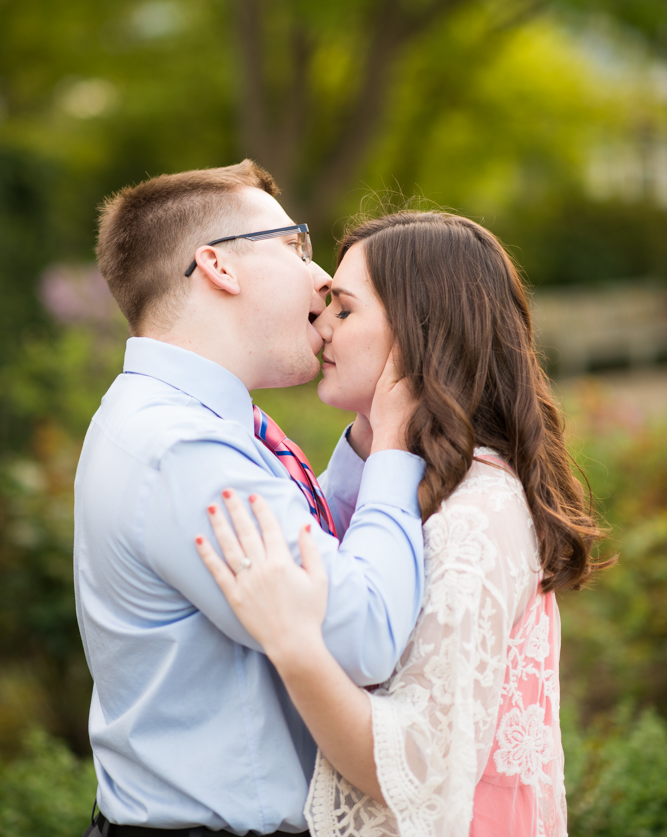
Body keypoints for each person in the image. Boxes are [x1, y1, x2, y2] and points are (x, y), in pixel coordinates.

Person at [196, 210, 613, 837]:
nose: (321, 322)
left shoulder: (477, 511)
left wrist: (293, 645)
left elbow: (415, 773)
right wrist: (378, 441)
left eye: (344, 309)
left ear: (419, 334)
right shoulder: (418, 482)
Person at [75, 163, 427, 837]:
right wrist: (393, 447)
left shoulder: (186, 423)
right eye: (294, 246)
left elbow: (298, 532)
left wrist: (358, 449)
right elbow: (367, 633)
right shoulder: (183, 450)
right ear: (218, 267)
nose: (322, 276)